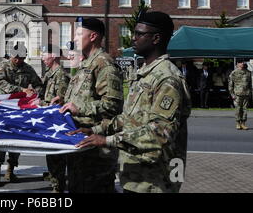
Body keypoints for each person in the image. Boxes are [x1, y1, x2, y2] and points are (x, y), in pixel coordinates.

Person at [70, 11, 191, 193]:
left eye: (139, 34)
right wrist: (94, 130)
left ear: (156, 38)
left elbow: (160, 134)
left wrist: (107, 140)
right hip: (136, 175)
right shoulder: (145, 73)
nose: (133, 39)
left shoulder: (167, 78)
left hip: (155, 180)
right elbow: (129, 119)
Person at [56, 17, 123, 193]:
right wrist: (64, 103)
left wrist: (80, 108)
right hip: (80, 144)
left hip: (96, 151)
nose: (74, 38)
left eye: (79, 33)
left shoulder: (104, 63)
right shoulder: (86, 63)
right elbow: (83, 97)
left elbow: (113, 105)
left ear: (92, 36)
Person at [0, 43, 43, 186]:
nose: (18, 61)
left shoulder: (28, 68)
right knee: (0, 138)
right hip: (4, 108)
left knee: (16, 139)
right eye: (16, 58)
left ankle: (11, 169)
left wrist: (36, 94)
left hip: (20, 109)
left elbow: (38, 83)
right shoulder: (2, 67)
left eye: (21, 58)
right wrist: (22, 90)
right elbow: (2, 83)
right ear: (11, 56)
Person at [39, 44, 70, 193]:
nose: (42, 57)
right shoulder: (49, 74)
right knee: (51, 155)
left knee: (57, 157)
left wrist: (42, 104)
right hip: (49, 120)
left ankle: (58, 186)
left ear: (54, 55)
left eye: (45, 54)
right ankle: (54, 178)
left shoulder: (61, 75)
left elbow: (59, 102)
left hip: (56, 123)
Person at [228, 60, 251, 130]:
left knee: (245, 109)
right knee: (238, 109)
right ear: (237, 64)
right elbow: (230, 85)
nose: (242, 63)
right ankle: (238, 123)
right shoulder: (234, 73)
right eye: (240, 62)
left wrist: (250, 93)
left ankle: (243, 123)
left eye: (243, 62)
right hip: (237, 94)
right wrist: (232, 94)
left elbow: (250, 84)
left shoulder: (248, 73)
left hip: (246, 94)